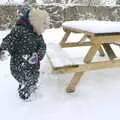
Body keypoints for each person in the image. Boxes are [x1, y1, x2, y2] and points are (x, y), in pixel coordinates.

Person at [0, 8, 50, 100]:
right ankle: (25, 96)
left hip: (33, 65)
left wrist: (38, 55)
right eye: (43, 27)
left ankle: (30, 86)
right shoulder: (18, 30)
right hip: (18, 65)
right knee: (25, 79)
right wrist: (4, 50)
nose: (44, 29)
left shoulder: (38, 35)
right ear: (36, 23)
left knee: (33, 78)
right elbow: (9, 40)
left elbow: (43, 47)